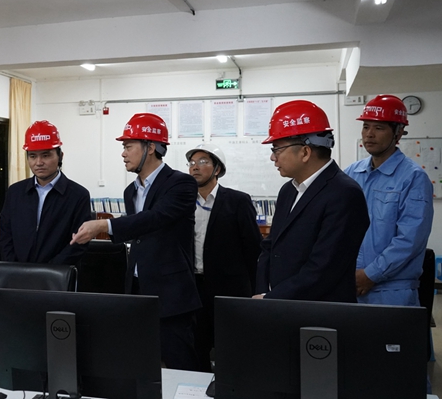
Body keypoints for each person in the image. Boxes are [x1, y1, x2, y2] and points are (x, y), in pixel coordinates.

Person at [71, 113, 202, 371]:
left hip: (171, 293)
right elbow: (138, 233)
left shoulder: (181, 183)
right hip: (137, 289)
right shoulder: (130, 191)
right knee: (141, 363)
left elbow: (155, 218)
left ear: (151, 147)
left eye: (128, 146)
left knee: (179, 365)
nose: (123, 153)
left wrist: (105, 225)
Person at [254, 100, 369, 302]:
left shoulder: (344, 194)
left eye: (277, 149)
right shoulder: (288, 191)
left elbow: (324, 269)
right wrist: (265, 293)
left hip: (319, 310)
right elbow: (270, 247)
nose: (273, 158)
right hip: (279, 306)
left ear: (305, 152)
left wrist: (272, 299)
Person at [344, 95, 434, 306]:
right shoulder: (351, 173)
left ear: (398, 132)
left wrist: (371, 274)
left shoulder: (413, 178)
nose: (369, 134)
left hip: (392, 290)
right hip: (349, 284)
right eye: (366, 127)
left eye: (379, 128)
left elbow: (410, 240)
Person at [185, 143, 262, 372]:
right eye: (191, 162)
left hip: (229, 289)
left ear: (217, 169)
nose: (195, 167)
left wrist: (254, 289)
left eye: (203, 162)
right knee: (196, 347)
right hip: (193, 287)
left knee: (231, 348)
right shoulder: (183, 202)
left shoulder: (237, 201)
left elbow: (253, 248)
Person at [0, 120, 90, 265]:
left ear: (60, 156)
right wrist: (14, 267)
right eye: (32, 156)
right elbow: (5, 235)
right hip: (17, 272)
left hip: (58, 275)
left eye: (46, 155)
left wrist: (48, 272)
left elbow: (78, 243)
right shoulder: (15, 192)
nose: (39, 162)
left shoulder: (78, 195)